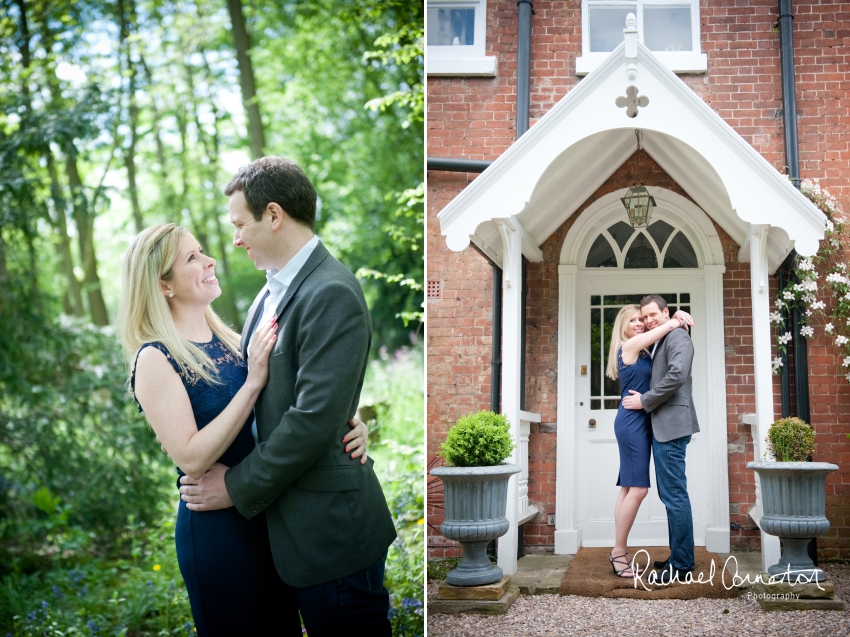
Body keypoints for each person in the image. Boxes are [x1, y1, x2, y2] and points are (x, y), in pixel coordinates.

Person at [178, 157, 397, 637]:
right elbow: (286, 394)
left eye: (240, 224)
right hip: (283, 533)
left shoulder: (330, 290)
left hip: (331, 536)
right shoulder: (270, 292)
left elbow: (313, 420)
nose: (234, 240)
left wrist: (234, 485)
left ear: (273, 215)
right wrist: (346, 416)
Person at [117, 223, 370, 636]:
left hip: (267, 515)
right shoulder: (154, 357)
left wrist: (346, 424)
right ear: (164, 285)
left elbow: (292, 408)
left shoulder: (232, 337)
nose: (210, 260)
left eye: (201, 250)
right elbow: (192, 456)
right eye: (191, 258)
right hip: (220, 530)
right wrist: (252, 382)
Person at [606, 303, 692, 578]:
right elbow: (666, 328)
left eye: (641, 319)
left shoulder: (643, 347)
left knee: (629, 488)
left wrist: (672, 318)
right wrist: (676, 317)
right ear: (623, 326)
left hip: (642, 421)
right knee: (639, 489)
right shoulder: (629, 346)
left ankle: (617, 550)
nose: (640, 323)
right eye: (633, 320)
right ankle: (619, 553)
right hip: (632, 423)